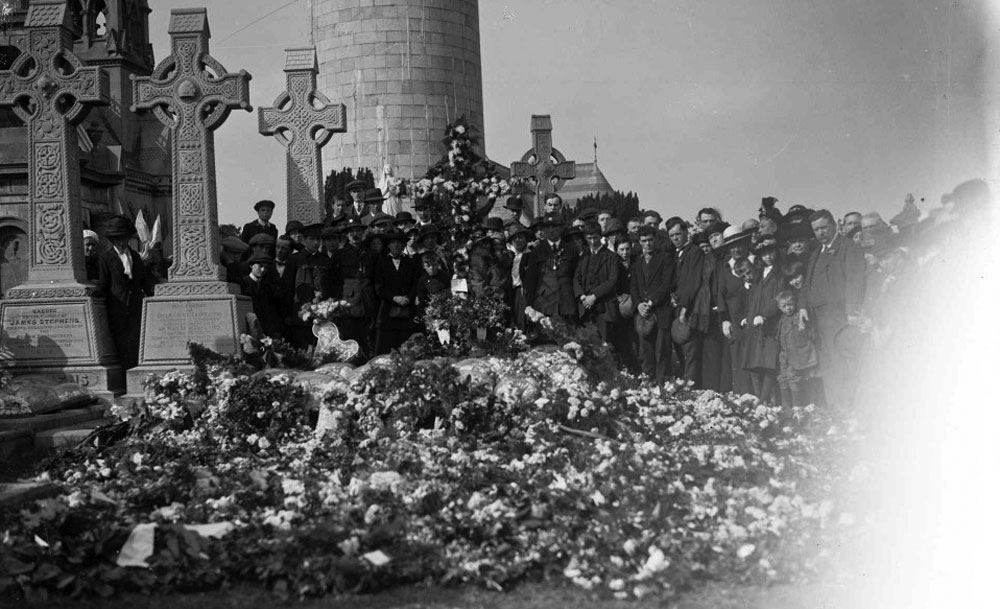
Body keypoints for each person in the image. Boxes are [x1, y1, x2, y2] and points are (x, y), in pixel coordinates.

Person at [800, 209, 866, 408]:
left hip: (840, 319)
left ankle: (847, 409)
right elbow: (807, 284)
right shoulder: (815, 253)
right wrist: (803, 307)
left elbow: (856, 280)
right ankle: (835, 409)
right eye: (816, 230)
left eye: (823, 228)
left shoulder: (848, 247)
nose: (820, 233)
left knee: (844, 365)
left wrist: (852, 312)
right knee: (828, 366)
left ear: (834, 226)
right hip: (819, 319)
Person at [95, 215, 154, 370]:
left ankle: (135, 368)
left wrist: (153, 294)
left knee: (136, 338)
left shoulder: (134, 256)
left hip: (135, 303)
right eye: (117, 239)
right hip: (116, 305)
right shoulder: (106, 258)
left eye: (124, 238)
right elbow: (104, 282)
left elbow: (143, 280)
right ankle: (124, 373)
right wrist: (95, 292)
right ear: (112, 240)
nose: (121, 242)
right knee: (120, 340)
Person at [667, 217, 711, 386]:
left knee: (690, 348)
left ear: (686, 233)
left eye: (678, 234)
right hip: (676, 305)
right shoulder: (677, 253)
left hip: (689, 307)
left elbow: (693, 282)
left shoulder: (695, 252)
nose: (675, 238)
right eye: (672, 236)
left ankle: (691, 386)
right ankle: (687, 383)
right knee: (679, 345)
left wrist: (685, 307)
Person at [630, 226, 675, 383]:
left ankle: (664, 386)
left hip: (661, 311)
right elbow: (633, 287)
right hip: (644, 314)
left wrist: (651, 301)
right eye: (644, 241)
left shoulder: (666, 258)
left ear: (655, 240)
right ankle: (648, 384)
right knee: (645, 352)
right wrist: (638, 305)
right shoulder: (637, 263)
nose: (647, 244)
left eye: (650, 240)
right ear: (639, 242)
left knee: (662, 351)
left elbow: (667, 283)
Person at [742, 238, 783, 402]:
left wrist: (765, 315)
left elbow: (778, 297)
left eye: (770, 253)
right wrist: (748, 316)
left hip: (769, 323)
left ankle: (764, 399)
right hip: (755, 322)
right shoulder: (759, 273)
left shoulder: (780, 273)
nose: (768, 257)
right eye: (764, 254)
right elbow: (752, 297)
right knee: (754, 362)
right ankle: (759, 397)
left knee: (768, 364)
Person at [523, 212, 579, 323]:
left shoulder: (571, 250)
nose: (551, 230)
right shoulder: (537, 251)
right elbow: (531, 280)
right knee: (545, 338)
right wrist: (529, 305)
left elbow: (576, 276)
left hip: (566, 302)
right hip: (544, 303)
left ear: (561, 228)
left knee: (568, 337)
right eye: (548, 227)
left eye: (555, 226)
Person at [573, 221, 621, 344]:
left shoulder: (611, 257)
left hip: (604, 308)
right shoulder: (583, 257)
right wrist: (582, 296)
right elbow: (576, 278)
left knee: (605, 345)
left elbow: (612, 281)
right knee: (586, 345)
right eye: (589, 238)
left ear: (600, 237)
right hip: (585, 309)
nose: (593, 241)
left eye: (595, 238)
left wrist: (594, 296)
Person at [373, 232, 419, 354]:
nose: (396, 245)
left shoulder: (411, 262)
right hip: (388, 311)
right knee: (386, 347)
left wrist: (408, 298)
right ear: (388, 245)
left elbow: (415, 284)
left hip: (407, 309)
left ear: (404, 245)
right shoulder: (381, 262)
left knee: (407, 347)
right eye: (393, 243)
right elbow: (379, 287)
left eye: (399, 243)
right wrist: (394, 298)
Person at [775, 290, 818, 407]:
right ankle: (786, 405)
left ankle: (797, 406)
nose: (788, 308)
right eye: (784, 306)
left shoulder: (799, 317)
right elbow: (780, 334)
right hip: (784, 354)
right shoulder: (783, 319)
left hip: (797, 354)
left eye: (790, 305)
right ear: (779, 307)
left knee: (794, 378)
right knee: (782, 377)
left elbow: (810, 334)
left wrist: (803, 329)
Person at [241, 253, 282, 338]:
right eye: (260, 266)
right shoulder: (244, 283)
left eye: (265, 267)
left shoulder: (266, 286)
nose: (263, 270)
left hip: (265, 327)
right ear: (251, 266)